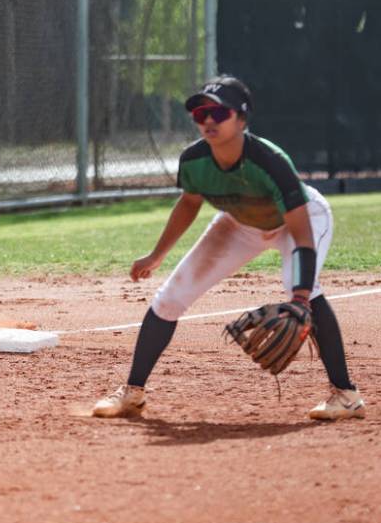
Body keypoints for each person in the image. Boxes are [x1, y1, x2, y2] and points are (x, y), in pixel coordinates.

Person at [92, 76, 365, 421]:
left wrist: (299, 296)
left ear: (242, 119)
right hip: (238, 223)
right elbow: (189, 204)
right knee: (171, 296)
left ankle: (346, 396)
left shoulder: (270, 161)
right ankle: (132, 393)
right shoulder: (194, 160)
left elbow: (303, 235)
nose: (208, 120)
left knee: (307, 293)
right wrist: (156, 255)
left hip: (299, 218)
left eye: (219, 113)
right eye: (200, 113)